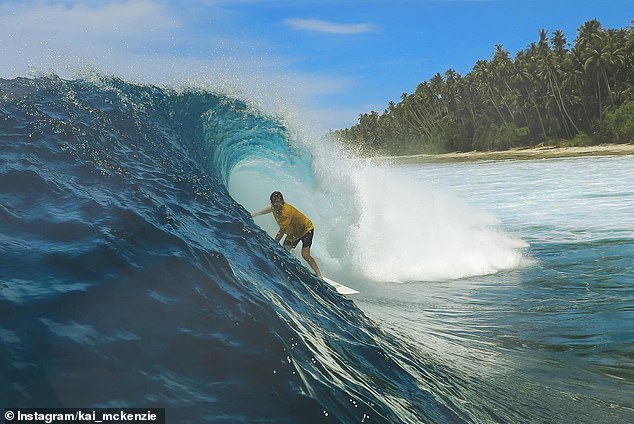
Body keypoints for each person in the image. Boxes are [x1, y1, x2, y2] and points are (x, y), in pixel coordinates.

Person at [252, 191, 323, 278]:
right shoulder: (274, 207)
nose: (276, 205)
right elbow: (267, 210)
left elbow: (281, 232)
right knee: (284, 252)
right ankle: (291, 264)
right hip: (294, 233)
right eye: (274, 203)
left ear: (282, 202)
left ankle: (319, 275)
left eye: (278, 202)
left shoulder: (286, 213)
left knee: (305, 254)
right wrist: (254, 214)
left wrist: (273, 244)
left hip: (306, 229)